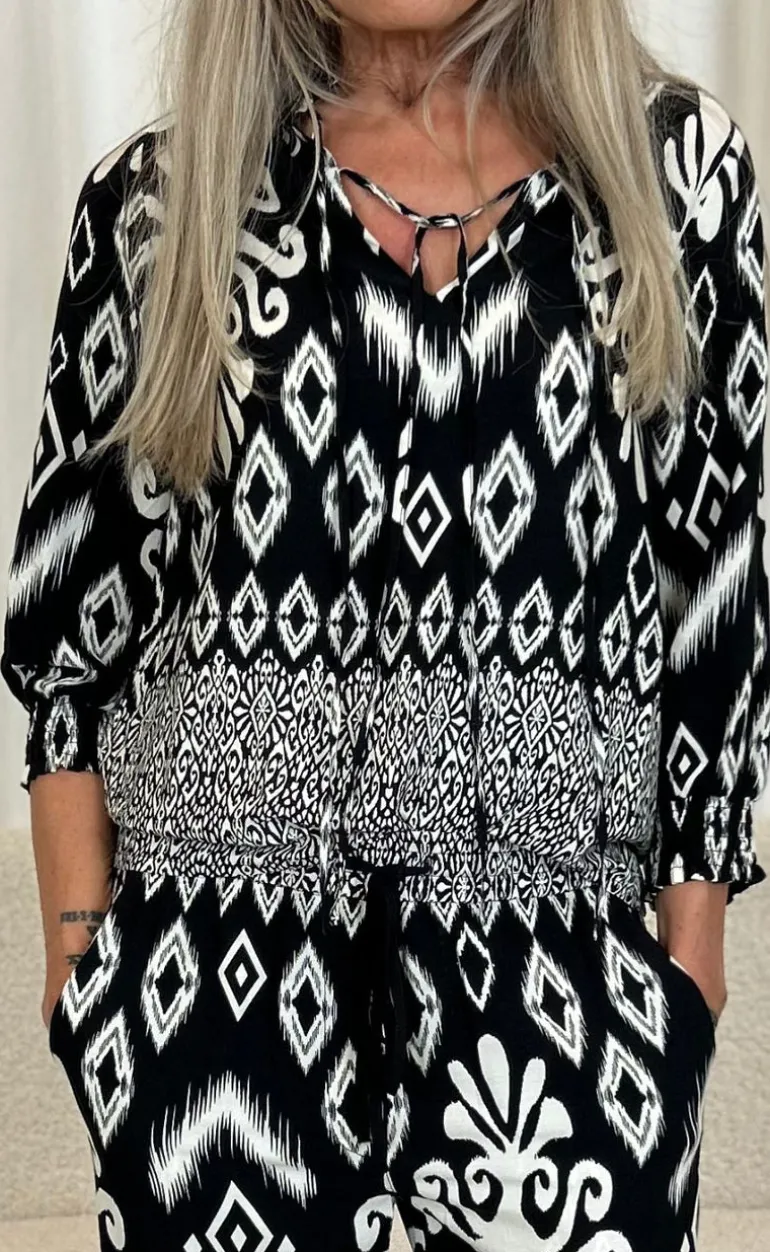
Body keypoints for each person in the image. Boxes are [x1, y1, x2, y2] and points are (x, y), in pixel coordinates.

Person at [2, 0, 768, 1247]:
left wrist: (683, 980)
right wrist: (85, 976)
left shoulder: (674, 183)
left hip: (563, 1005)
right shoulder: (159, 208)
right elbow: (68, 648)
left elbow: (714, 608)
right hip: (212, 1028)